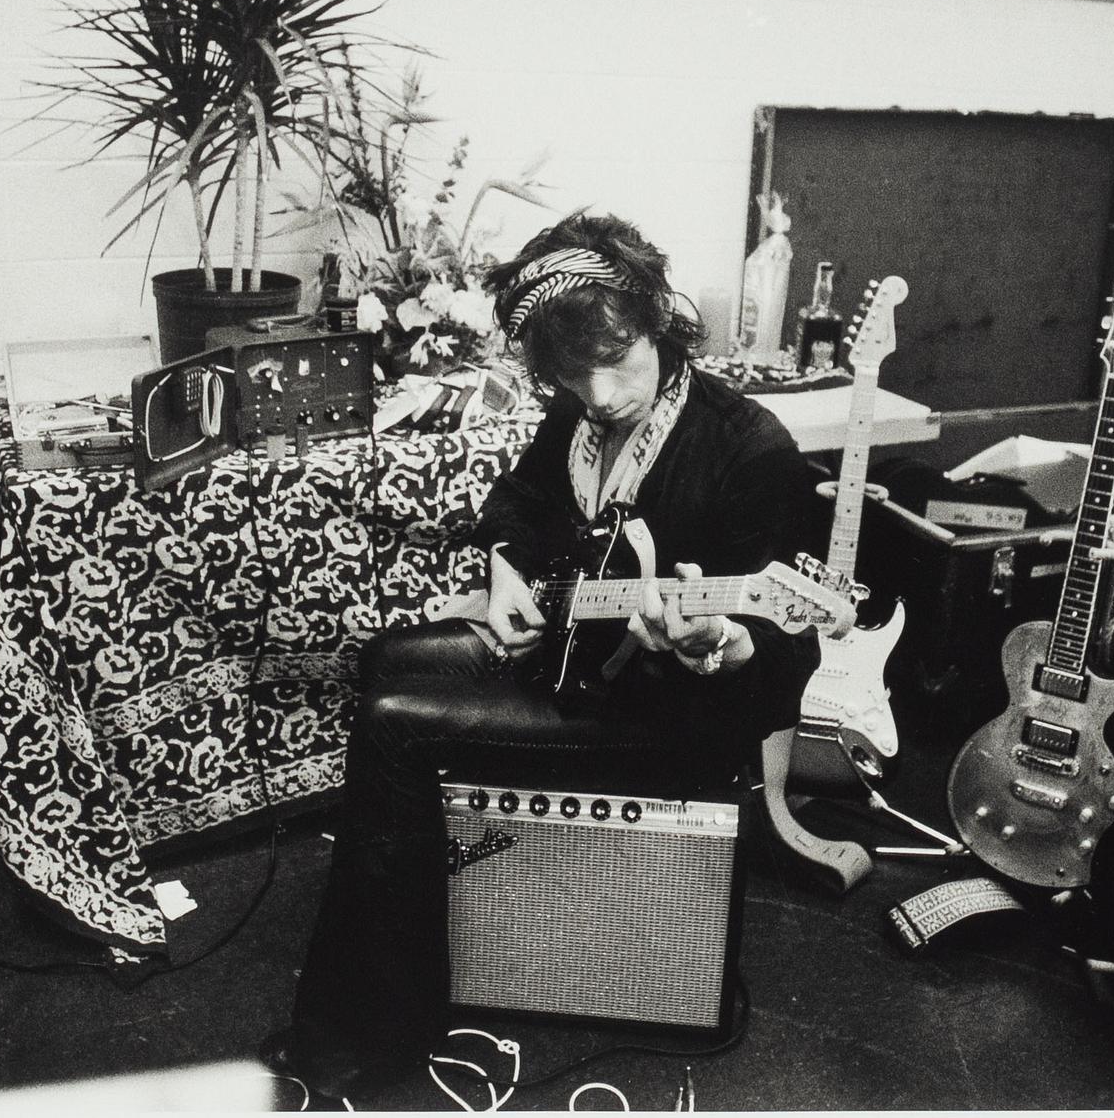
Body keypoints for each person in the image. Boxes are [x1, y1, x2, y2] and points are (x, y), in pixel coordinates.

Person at [263, 210, 839, 1101]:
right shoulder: (579, 411)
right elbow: (518, 502)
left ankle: (365, 1039)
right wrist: (504, 570)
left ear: (658, 323)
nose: (601, 393)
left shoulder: (751, 449)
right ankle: (421, 941)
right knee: (383, 662)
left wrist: (716, 640)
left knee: (392, 729)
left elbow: (781, 660)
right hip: (572, 660)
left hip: (664, 717)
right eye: (575, 373)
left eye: (619, 362)